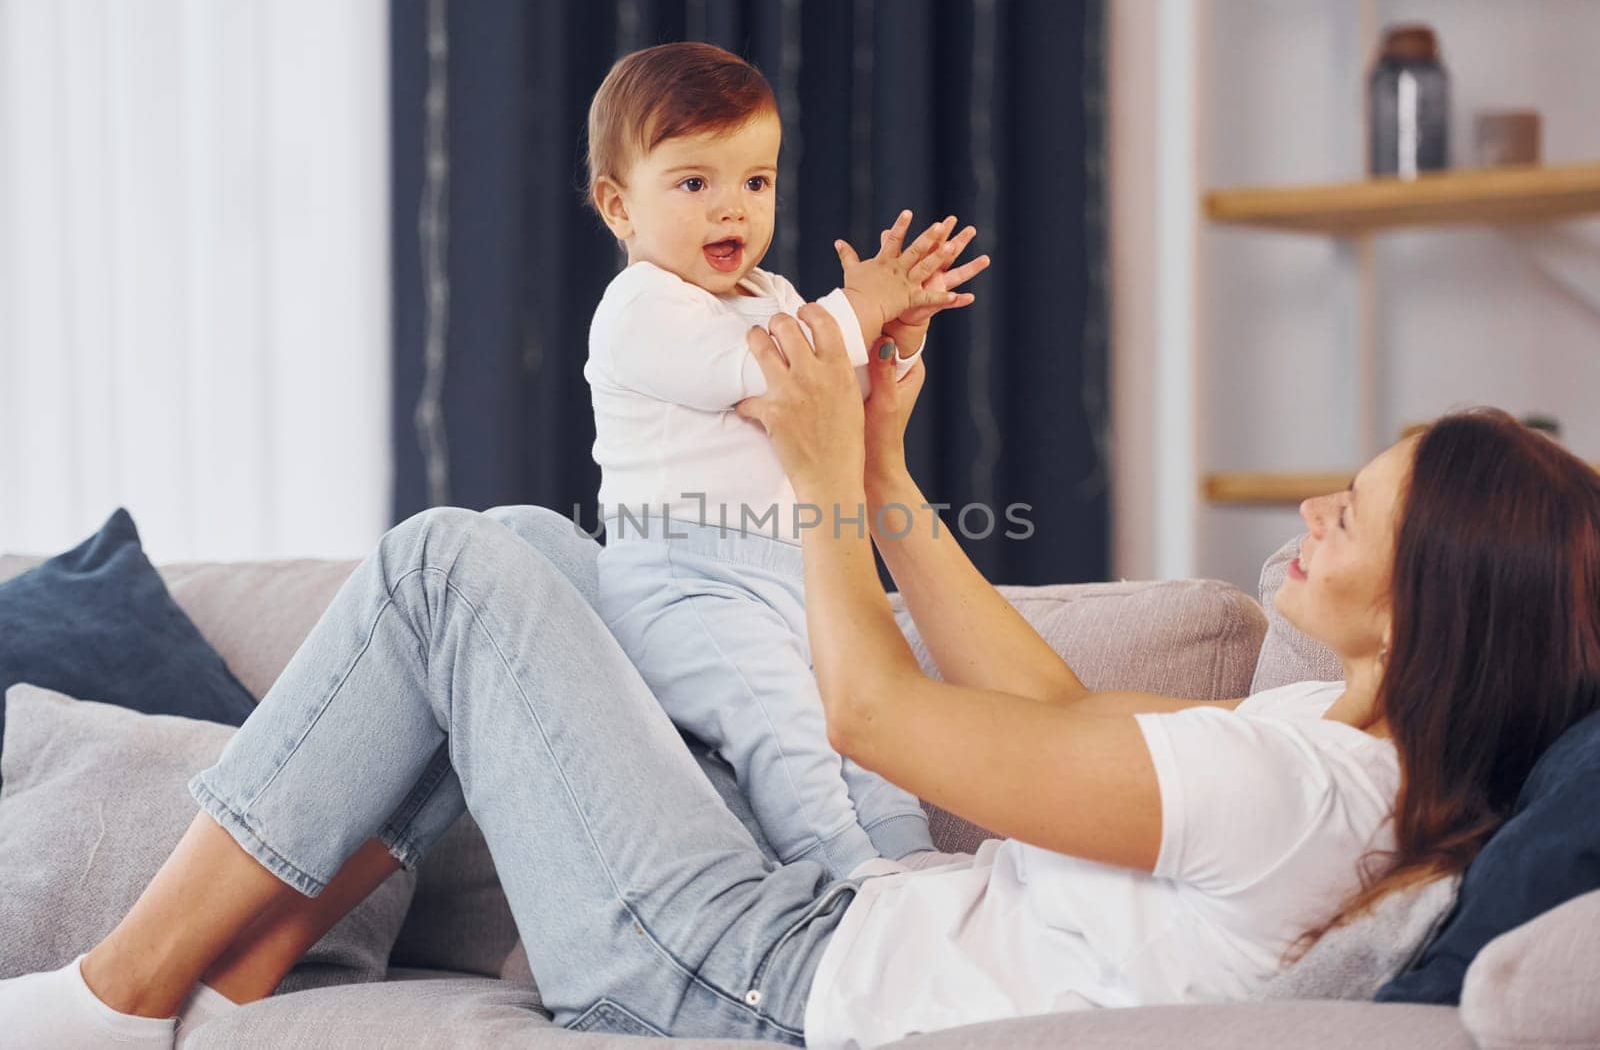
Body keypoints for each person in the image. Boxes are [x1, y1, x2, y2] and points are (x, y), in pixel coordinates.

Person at [2, 243, 1598, 1050]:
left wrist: (819, 470)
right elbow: (1040, 703)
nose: (1317, 502)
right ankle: (266, 944)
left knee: (441, 564)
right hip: (813, 931)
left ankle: (118, 994)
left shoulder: (1295, 782)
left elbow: (875, 709)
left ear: (1439, 597)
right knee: (550, 552)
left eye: (1362, 507)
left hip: (758, 988)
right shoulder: (1337, 755)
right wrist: (890, 465)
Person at [581, 40, 989, 882]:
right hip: (682, 580)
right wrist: (862, 302)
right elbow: (776, 375)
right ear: (619, 207)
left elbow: (837, 396)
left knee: (863, 711)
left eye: (755, 181)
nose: (731, 209)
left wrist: (894, 341)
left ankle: (913, 855)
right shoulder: (639, 308)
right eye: (695, 183)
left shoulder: (772, 296)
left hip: (790, 571)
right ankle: (842, 869)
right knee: (785, 724)